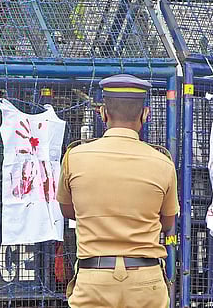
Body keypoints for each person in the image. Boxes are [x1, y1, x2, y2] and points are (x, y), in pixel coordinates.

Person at [57, 74, 179, 308]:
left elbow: (68, 210)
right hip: (146, 280)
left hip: (93, 279)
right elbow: (167, 222)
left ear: (103, 113)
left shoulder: (74, 157)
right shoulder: (162, 163)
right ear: (145, 114)